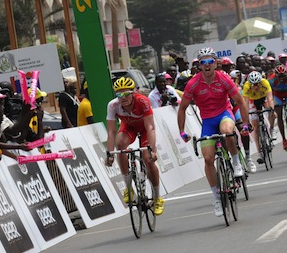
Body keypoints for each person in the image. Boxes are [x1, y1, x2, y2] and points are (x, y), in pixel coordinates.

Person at [177, 47, 250, 217]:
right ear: (199, 66)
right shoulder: (193, 83)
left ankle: (236, 162)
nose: (207, 65)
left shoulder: (224, 78)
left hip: (224, 114)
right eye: (204, 62)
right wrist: (182, 131)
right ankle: (217, 198)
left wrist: (245, 124)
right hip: (208, 122)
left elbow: (239, 100)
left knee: (226, 131)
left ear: (216, 63)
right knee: (208, 159)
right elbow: (182, 108)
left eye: (210, 61)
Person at [104, 77, 165, 216]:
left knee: (148, 160)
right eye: (119, 94)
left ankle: (157, 198)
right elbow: (111, 131)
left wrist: (153, 151)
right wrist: (109, 153)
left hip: (144, 129)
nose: (123, 98)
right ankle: (128, 187)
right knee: (120, 144)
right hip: (129, 128)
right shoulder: (113, 105)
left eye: (126, 94)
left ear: (133, 93)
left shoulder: (142, 101)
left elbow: (150, 127)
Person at [242, 71, 276, 163]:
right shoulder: (246, 86)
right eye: (253, 85)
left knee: (273, 113)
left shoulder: (265, 82)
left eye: (257, 84)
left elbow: (270, 98)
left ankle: (271, 130)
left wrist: (272, 110)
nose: (256, 87)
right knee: (256, 128)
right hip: (253, 102)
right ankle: (259, 153)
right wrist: (246, 117)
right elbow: (245, 103)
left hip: (263, 98)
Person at [268, 64, 287, 151]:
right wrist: (272, 106)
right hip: (277, 96)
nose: (281, 78)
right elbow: (270, 94)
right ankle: (284, 139)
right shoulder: (271, 80)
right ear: (276, 75)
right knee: (279, 114)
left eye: (283, 76)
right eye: (279, 76)